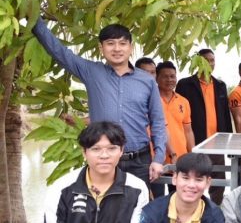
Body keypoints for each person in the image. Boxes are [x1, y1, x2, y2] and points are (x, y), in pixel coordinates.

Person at [31, 18, 166, 187]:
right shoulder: (91, 71)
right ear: (101, 48)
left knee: (140, 204)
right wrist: (33, 16)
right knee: (101, 203)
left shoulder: (147, 80)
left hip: (139, 161)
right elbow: (59, 52)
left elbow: (158, 121)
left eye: (122, 43)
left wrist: (158, 158)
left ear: (130, 47)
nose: (117, 49)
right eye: (110, 43)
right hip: (103, 161)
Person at [176, 49, 233, 205]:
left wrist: (228, 141)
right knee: (194, 178)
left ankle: (216, 208)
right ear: (198, 62)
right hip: (196, 142)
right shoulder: (185, 84)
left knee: (218, 180)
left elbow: (225, 114)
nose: (209, 63)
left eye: (212, 60)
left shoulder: (220, 85)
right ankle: (194, 207)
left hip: (217, 142)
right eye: (205, 60)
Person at [152, 61, 195, 197]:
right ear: (156, 78)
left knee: (178, 197)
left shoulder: (183, 101)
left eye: (172, 76)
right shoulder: (151, 100)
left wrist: (192, 154)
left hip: (179, 159)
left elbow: (188, 130)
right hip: (156, 158)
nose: (169, 80)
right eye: (165, 76)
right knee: (156, 198)